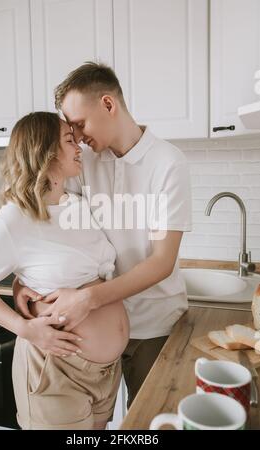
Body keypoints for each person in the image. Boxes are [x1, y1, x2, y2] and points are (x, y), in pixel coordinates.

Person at [14, 62, 192, 410]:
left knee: (148, 424)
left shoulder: (168, 164)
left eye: (79, 124)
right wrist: (24, 280)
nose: (77, 137)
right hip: (94, 335)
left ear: (108, 104)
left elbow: (161, 262)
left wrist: (89, 299)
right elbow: (50, 221)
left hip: (154, 328)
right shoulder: (85, 162)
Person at [0, 111, 130, 430]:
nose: (79, 145)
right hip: (55, 373)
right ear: (44, 151)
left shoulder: (75, 205)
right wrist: (23, 328)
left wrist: (18, 286)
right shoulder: (14, 219)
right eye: (69, 140)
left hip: (105, 372)